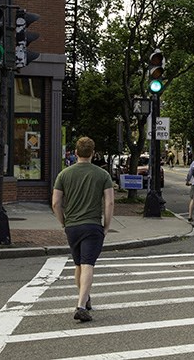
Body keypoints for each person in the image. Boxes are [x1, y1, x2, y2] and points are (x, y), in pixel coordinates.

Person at [52, 136, 114, 323]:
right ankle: (81, 305)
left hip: (72, 225)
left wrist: (63, 222)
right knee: (88, 264)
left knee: (78, 264)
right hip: (92, 224)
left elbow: (56, 203)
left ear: (76, 153)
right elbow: (109, 202)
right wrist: (107, 225)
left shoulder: (64, 174)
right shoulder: (102, 175)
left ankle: (84, 298)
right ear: (93, 154)